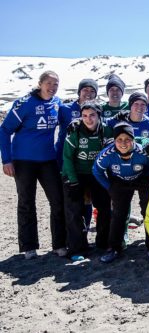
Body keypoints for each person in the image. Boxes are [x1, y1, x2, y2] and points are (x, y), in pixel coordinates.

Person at [0, 70, 67, 259]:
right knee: (26, 202)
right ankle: (29, 246)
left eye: (56, 84)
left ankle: (60, 244)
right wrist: (6, 160)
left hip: (48, 160)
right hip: (23, 161)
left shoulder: (57, 103)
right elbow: (4, 130)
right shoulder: (24, 104)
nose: (52, 88)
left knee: (58, 200)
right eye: (49, 83)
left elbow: (67, 124)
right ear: (40, 83)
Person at [93, 122, 149, 263]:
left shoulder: (142, 152)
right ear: (114, 141)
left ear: (133, 139)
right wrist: (109, 187)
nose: (123, 143)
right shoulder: (107, 154)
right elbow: (97, 171)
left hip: (141, 179)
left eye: (127, 139)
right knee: (119, 214)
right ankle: (115, 248)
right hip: (119, 181)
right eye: (119, 140)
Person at [61, 101, 113, 260]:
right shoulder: (75, 131)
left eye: (92, 115)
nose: (88, 119)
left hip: (97, 174)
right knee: (75, 211)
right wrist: (74, 182)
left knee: (104, 208)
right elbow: (67, 158)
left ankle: (103, 243)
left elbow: (111, 155)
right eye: (84, 116)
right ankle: (76, 248)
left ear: (99, 115)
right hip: (76, 174)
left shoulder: (106, 131)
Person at [56, 78, 99, 165]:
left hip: (86, 158)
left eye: (92, 91)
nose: (88, 93)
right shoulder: (64, 109)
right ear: (79, 92)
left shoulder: (98, 111)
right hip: (63, 155)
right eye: (85, 90)